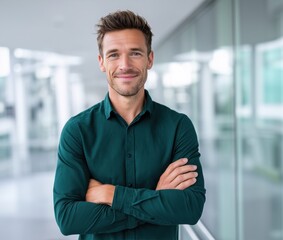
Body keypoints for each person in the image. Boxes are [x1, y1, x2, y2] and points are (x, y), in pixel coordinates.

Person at [53, 10, 205, 240]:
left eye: (135, 53)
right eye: (114, 55)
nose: (125, 65)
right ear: (101, 62)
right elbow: (68, 218)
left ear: (149, 59)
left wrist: (110, 194)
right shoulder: (78, 131)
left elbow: (190, 208)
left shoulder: (178, 127)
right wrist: (156, 198)